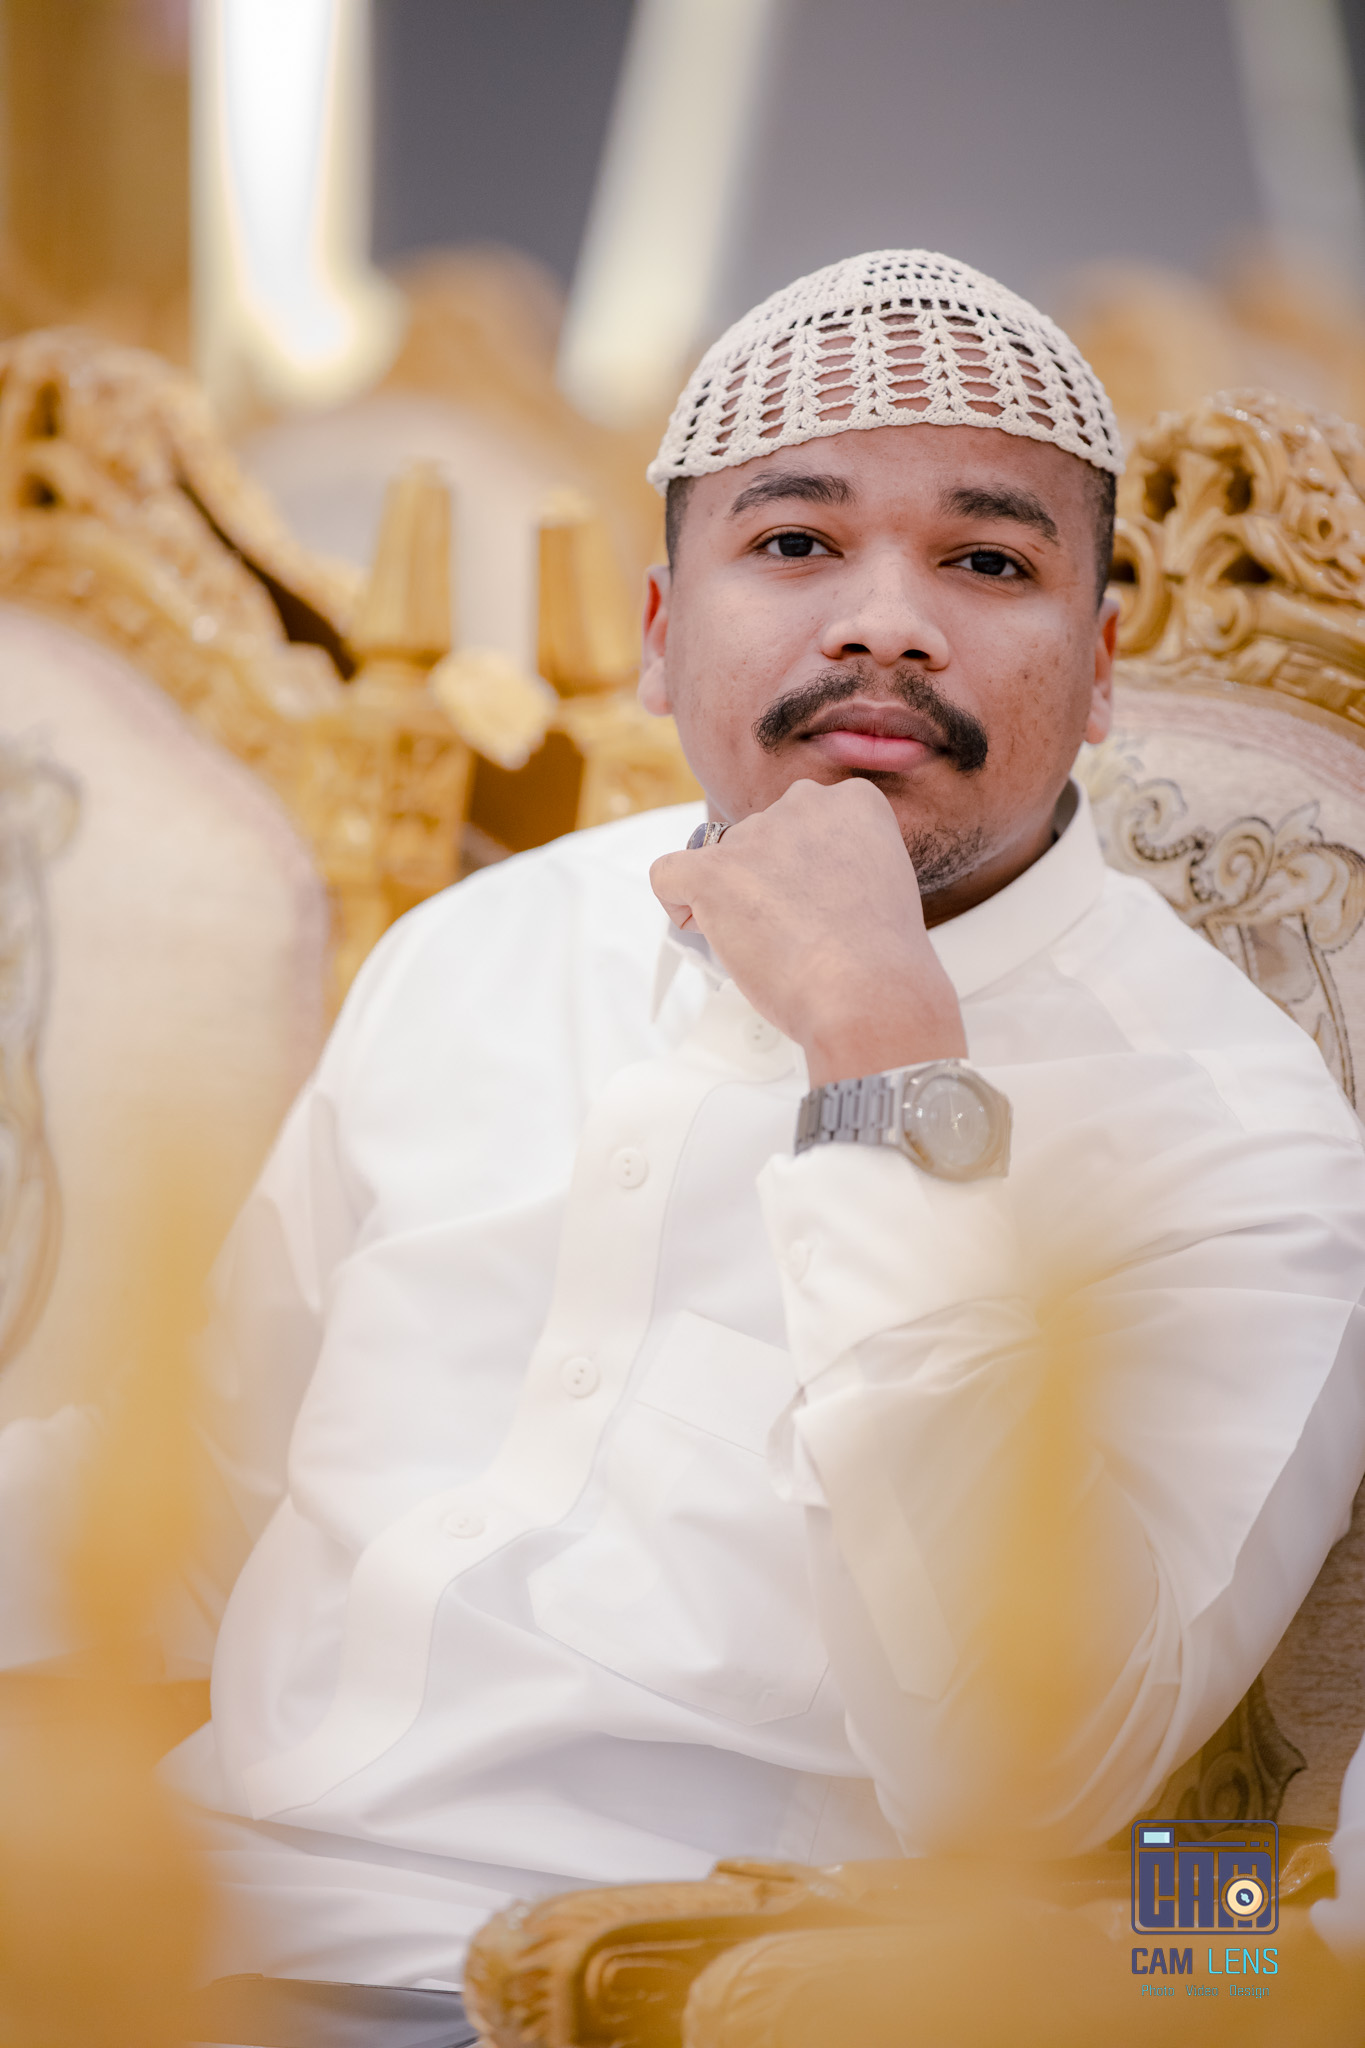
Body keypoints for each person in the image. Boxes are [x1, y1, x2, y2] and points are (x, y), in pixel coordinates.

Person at [9, 252, 1365, 2021]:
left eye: (985, 561)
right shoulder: (485, 945)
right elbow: (207, 1506)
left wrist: (881, 1064)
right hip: (174, 1927)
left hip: (648, 1992)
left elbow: (1029, 1769)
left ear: (1099, 664)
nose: (884, 623)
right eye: (794, 542)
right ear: (662, 634)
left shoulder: (1230, 1133)